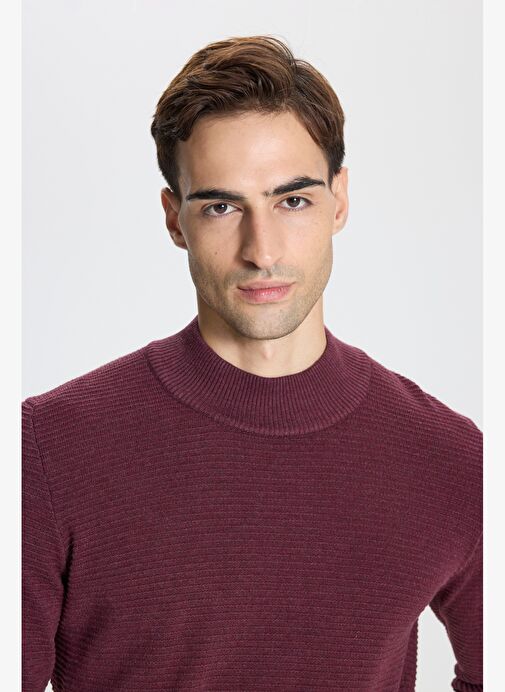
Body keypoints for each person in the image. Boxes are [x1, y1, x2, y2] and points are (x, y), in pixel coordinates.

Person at [22, 35, 483, 691]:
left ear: (339, 200)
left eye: (292, 200)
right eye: (221, 206)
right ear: (174, 220)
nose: (261, 250)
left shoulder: (450, 458)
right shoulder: (49, 449)